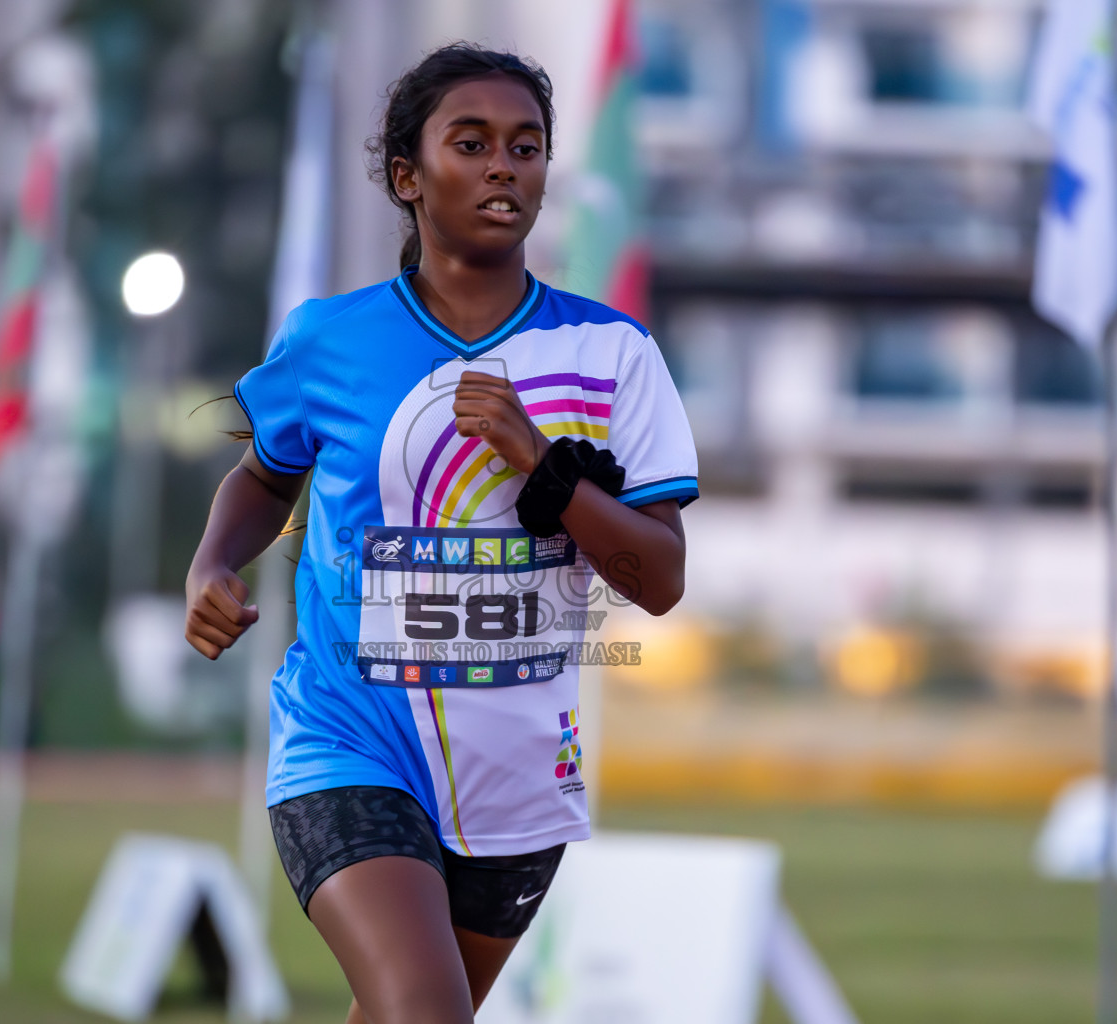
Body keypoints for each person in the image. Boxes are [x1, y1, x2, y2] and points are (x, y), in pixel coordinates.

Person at [185, 43, 698, 1024]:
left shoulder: (611, 355)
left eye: (527, 146)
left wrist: (540, 465)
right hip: (347, 741)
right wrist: (211, 563)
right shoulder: (330, 338)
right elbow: (260, 477)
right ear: (407, 177)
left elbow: (661, 578)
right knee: (425, 1010)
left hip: (516, 776)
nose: (505, 165)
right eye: (472, 144)